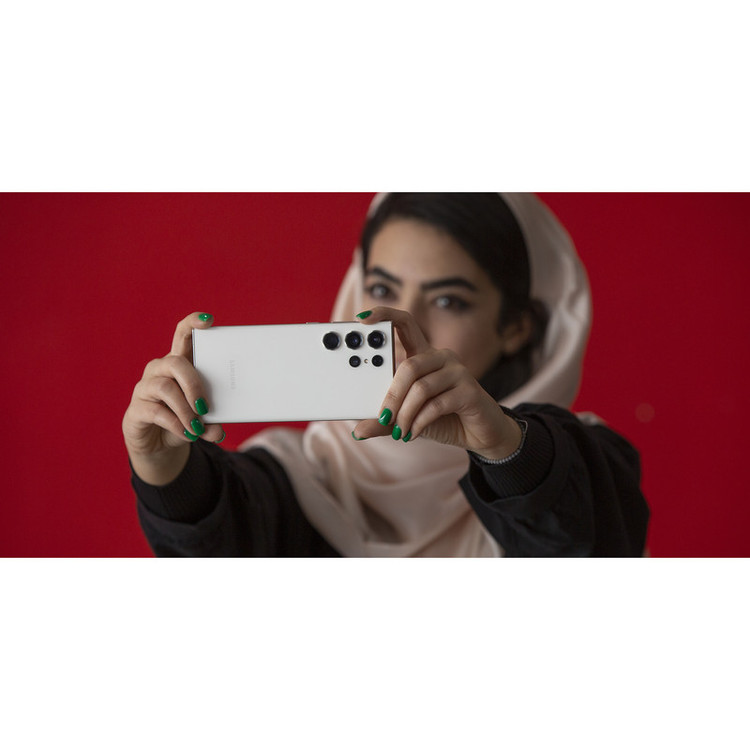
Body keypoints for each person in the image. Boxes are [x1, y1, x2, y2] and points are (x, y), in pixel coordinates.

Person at [123, 193, 649, 557]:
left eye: (448, 300)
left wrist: (505, 450)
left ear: (515, 327)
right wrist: (163, 469)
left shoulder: (579, 469)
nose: (403, 323)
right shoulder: (294, 479)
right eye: (381, 289)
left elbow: (589, 545)